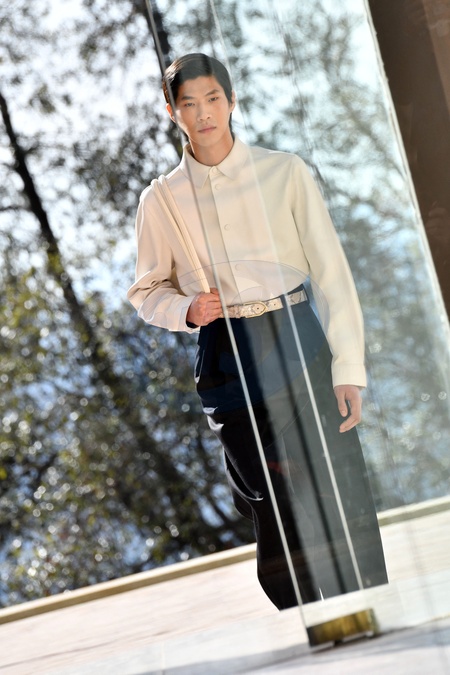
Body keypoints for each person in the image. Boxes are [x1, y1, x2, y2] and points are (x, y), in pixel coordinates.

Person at [127, 53, 388, 610]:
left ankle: (368, 608)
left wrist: (348, 367)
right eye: (189, 104)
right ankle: (304, 615)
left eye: (213, 99)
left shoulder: (285, 172)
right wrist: (186, 309)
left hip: (297, 333)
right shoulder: (161, 199)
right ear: (172, 112)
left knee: (339, 480)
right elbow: (146, 293)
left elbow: (332, 275)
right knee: (268, 493)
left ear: (231, 101)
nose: (204, 114)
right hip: (225, 352)